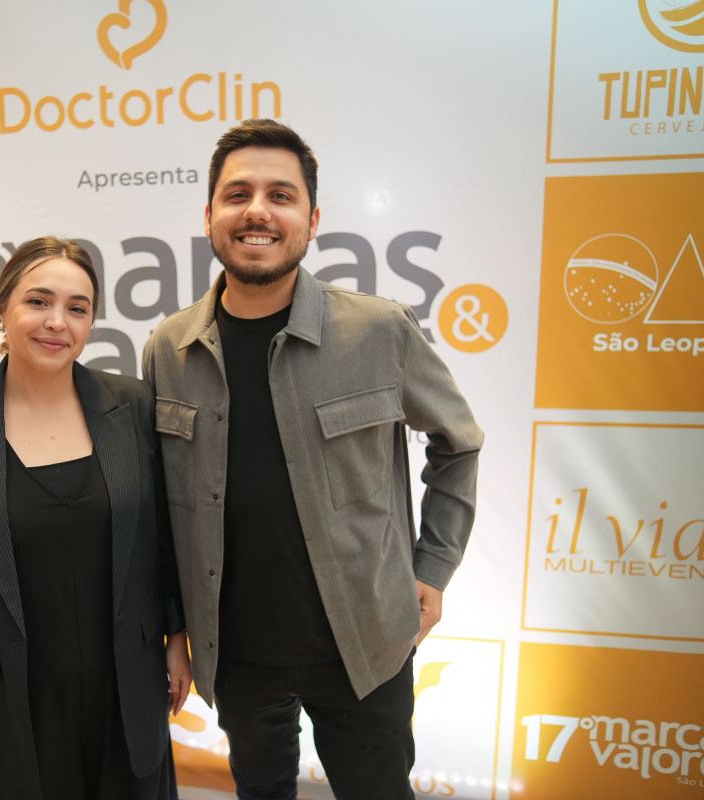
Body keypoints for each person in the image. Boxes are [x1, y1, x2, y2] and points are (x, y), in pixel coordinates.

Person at [142, 120, 483, 800]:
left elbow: (459, 443)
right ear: (209, 217)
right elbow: (157, 507)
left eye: (281, 195)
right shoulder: (167, 349)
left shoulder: (379, 330)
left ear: (312, 219)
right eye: (237, 194)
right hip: (234, 657)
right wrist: (175, 628)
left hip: (366, 644)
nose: (257, 211)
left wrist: (433, 567)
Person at [0, 236, 191, 799]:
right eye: (38, 301)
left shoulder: (131, 406)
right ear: (2, 309)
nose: (58, 322)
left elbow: (162, 539)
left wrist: (177, 636)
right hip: (5, 698)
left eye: (77, 308)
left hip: (127, 690)